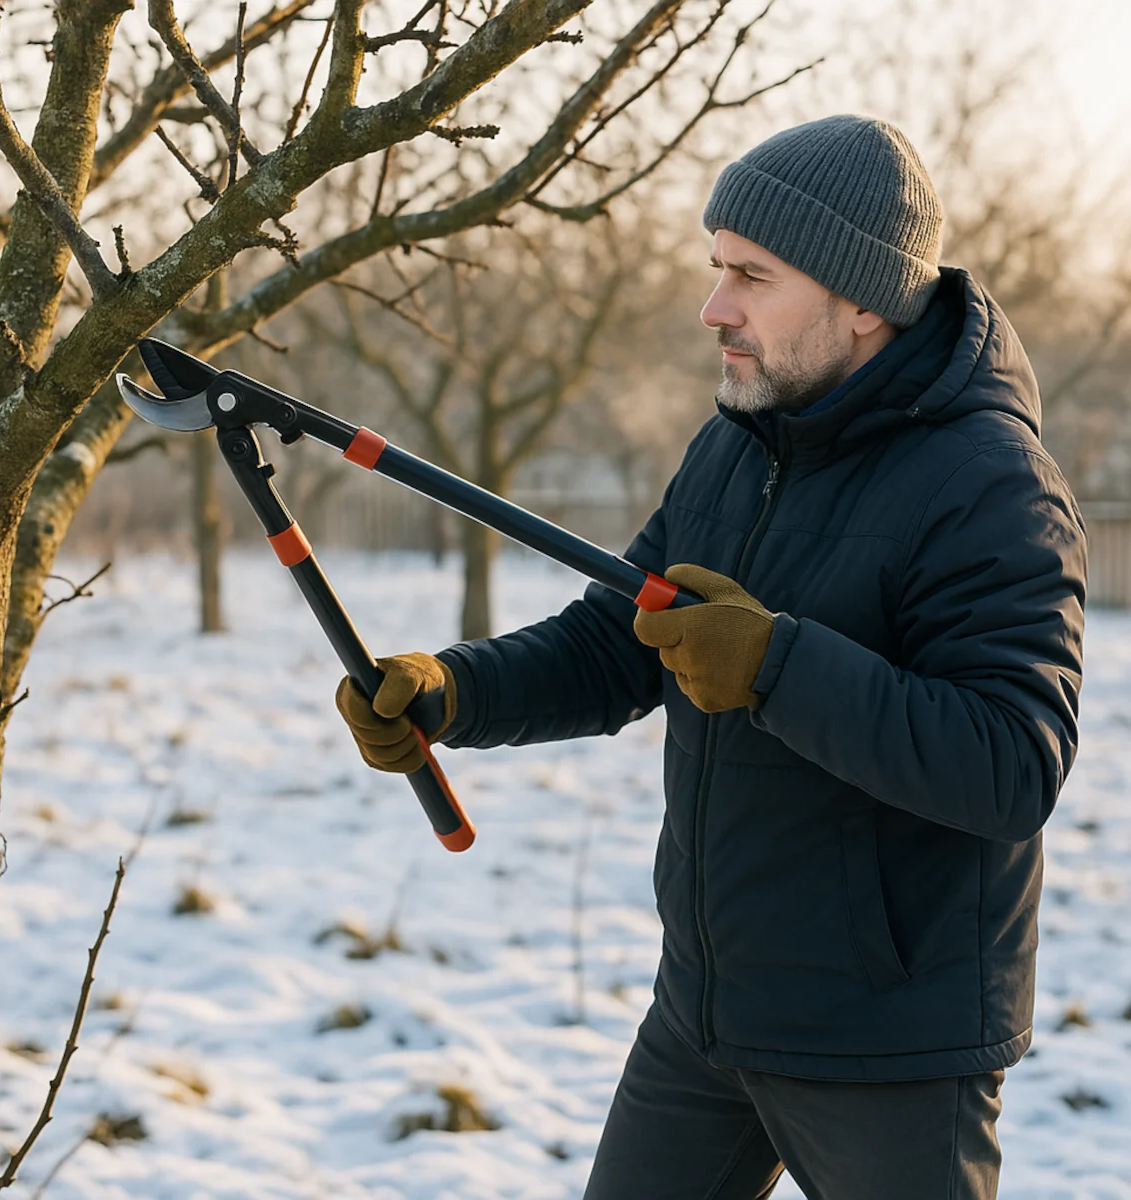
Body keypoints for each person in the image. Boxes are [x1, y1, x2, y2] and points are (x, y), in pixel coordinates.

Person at [335, 114, 1087, 1200]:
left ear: (864, 299)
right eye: (716, 267)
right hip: (705, 1015)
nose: (714, 307)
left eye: (752, 276)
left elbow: (1011, 765)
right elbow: (619, 640)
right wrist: (455, 691)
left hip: (887, 1045)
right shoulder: (740, 442)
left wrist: (776, 666)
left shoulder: (990, 484)